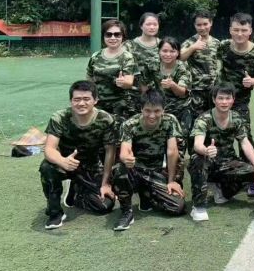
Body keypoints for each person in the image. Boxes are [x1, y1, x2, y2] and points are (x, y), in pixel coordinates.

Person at [39, 80, 116, 229]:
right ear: (71, 101)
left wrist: (106, 183)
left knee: (104, 206)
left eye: (86, 99)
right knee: (47, 167)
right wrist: (62, 161)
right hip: (64, 163)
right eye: (77, 99)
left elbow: (110, 152)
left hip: (91, 166)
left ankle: (76, 192)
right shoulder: (59, 117)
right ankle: (55, 212)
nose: (81, 103)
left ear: (95, 100)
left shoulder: (105, 119)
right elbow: (49, 149)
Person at [111, 90, 186, 231]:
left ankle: (147, 194)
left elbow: (172, 151)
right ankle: (126, 212)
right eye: (147, 111)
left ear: (163, 109)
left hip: (156, 172)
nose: (152, 115)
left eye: (157, 111)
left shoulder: (170, 121)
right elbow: (124, 151)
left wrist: (171, 181)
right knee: (122, 168)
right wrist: (127, 158)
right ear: (141, 109)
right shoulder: (129, 124)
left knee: (178, 207)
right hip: (136, 170)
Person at [188, 84, 254, 222]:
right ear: (214, 99)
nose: (224, 102)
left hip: (227, 163)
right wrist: (206, 150)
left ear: (233, 100)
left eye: (228, 98)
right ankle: (198, 206)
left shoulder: (236, 118)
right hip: (209, 162)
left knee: (253, 171)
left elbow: (245, 143)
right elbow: (197, 144)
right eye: (220, 98)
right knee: (198, 160)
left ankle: (221, 190)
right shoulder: (204, 119)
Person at [215, 12, 254, 132]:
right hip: (221, 97)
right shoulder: (223, 46)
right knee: (218, 134)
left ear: (250, 31)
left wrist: (253, 81)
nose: (239, 34)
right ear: (230, 30)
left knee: (244, 134)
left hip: (241, 100)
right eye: (236, 30)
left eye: (244, 30)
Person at [86, 18, 136, 124]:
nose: (113, 38)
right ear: (104, 36)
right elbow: (89, 78)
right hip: (98, 105)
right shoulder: (96, 56)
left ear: (122, 37)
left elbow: (129, 82)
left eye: (117, 34)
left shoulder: (127, 57)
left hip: (120, 106)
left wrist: (123, 82)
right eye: (108, 34)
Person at [180, 9, 221, 119]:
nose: (202, 28)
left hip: (213, 89)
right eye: (199, 25)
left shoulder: (216, 43)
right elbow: (180, 57)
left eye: (205, 24)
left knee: (214, 118)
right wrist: (193, 48)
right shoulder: (189, 42)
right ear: (194, 25)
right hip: (196, 89)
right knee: (197, 119)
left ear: (211, 23)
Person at [124, 12, 161, 106]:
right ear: (141, 26)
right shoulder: (129, 46)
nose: (152, 27)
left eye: (155, 24)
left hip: (158, 95)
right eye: (148, 24)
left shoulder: (163, 45)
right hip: (133, 94)